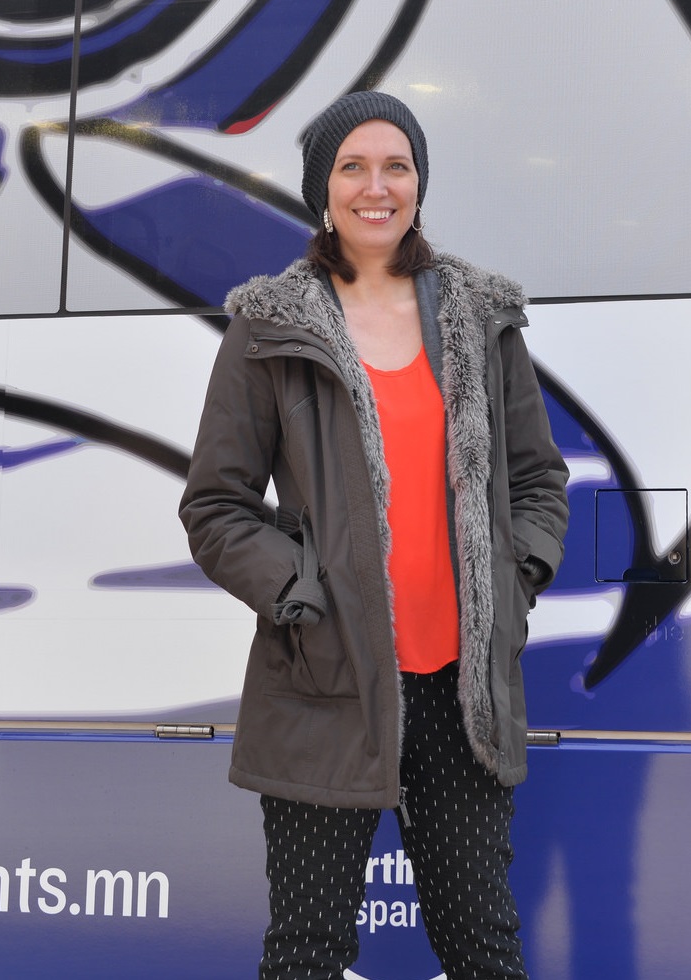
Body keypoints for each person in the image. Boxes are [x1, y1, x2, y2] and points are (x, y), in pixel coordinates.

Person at [179, 90, 569, 979]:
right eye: (352, 167)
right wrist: (300, 595)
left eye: (396, 165)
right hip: (325, 686)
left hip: (459, 692)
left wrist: (511, 582)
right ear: (324, 189)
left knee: (484, 950)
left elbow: (538, 480)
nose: (376, 187)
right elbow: (215, 506)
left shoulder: (479, 315)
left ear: (418, 183)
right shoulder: (269, 325)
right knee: (308, 956)